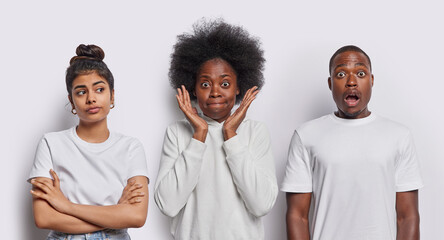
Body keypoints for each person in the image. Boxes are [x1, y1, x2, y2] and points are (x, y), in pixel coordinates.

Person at [282, 45, 423, 240]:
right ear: (330, 83)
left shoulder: (399, 135)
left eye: (360, 73)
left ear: (371, 80)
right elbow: (297, 216)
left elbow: (407, 217)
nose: (351, 82)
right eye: (341, 74)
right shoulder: (306, 135)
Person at [154, 19, 278, 240]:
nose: (214, 92)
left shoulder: (255, 132)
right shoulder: (177, 133)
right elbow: (167, 205)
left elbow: (262, 205)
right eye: (205, 84)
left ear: (239, 87)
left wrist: (230, 135)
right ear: (193, 89)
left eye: (225, 83)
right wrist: (199, 135)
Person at [28, 44, 149, 240]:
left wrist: (66, 206)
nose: (91, 98)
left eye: (99, 89)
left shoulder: (131, 147)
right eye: (81, 92)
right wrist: (117, 213)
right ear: (72, 100)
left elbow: (136, 216)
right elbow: (43, 218)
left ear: (112, 95)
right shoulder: (50, 143)